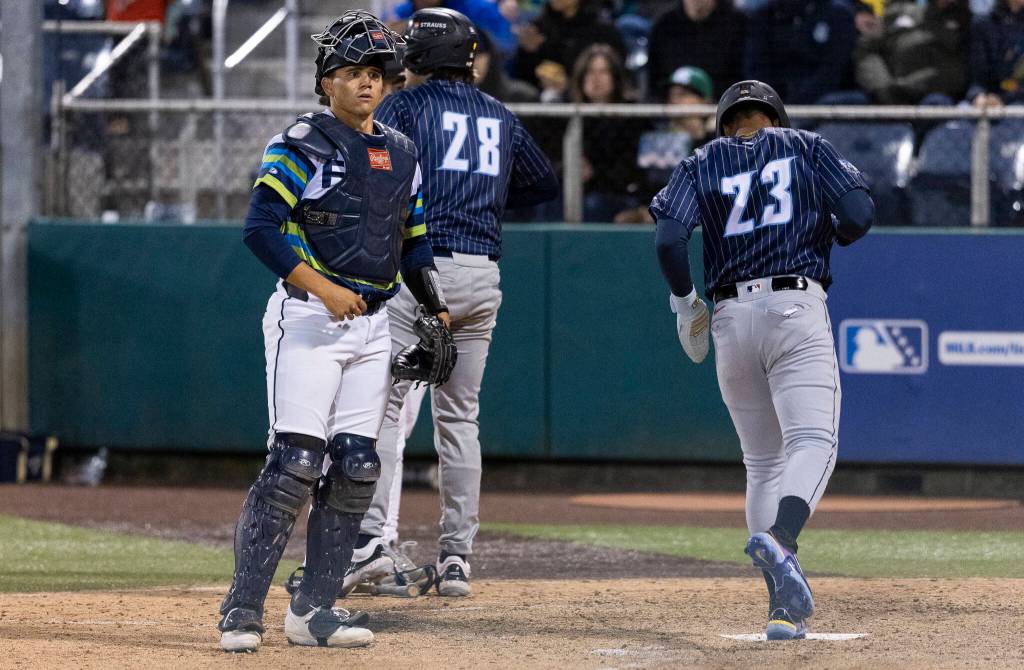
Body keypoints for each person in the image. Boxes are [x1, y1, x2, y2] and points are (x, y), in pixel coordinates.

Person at [217, 11, 452, 652]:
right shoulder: (302, 141)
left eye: (375, 74)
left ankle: (313, 610)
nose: (366, 84)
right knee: (295, 461)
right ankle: (241, 611)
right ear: (327, 83)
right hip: (309, 317)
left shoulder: (402, 153)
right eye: (351, 73)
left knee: (355, 466)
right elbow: (260, 228)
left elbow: (414, 240)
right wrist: (325, 290)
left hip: (373, 326)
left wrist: (435, 309)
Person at [344, 7, 558, 597]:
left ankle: (369, 543)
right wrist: (481, 198)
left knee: (381, 408)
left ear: (418, 60)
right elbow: (545, 183)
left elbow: (366, 162)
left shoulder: (406, 106)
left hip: (420, 271)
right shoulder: (499, 113)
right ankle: (458, 558)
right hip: (479, 273)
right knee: (460, 417)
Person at [650, 80, 874, 639]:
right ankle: (784, 540)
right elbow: (860, 213)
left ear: (726, 122)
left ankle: (781, 608)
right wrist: (836, 232)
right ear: (773, 116)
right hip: (795, 304)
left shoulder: (702, 159)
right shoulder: (804, 145)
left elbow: (668, 240)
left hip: (729, 316)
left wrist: (685, 305)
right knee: (813, 442)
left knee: (762, 462)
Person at [569, 44, 648, 222]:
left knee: (594, 204)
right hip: (578, 191)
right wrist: (569, 167)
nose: (596, 79)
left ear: (615, 77)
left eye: (603, 72)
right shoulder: (567, 114)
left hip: (621, 194)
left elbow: (632, 169)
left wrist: (594, 171)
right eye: (590, 72)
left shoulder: (634, 114)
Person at [853, 0, 970, 105]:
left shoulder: (967, 22)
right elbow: (867, 49)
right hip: (886, 97)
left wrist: (904, 88)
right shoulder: (901, 11)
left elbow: (957, 72)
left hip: (934, 97)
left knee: (936, 103)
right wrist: (882, 87)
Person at [744, 0, 857, 104]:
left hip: (825, 100)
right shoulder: (764, 16)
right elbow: (757, 66)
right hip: (776, 100)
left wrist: (797, 101)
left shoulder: (837, 14)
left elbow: (832, 69)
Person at [646, 0, 747, 99]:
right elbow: (654, 84)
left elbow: (745, 81)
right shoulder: (663, 26)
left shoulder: (739, 25)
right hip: (671, 110)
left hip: (724, 108)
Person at [968, 0, 1024, 107]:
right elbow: (977, 76)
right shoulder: (984, 24)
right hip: (988, 100)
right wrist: (978, 95)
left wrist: (1003, 99)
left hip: (1017, 102)